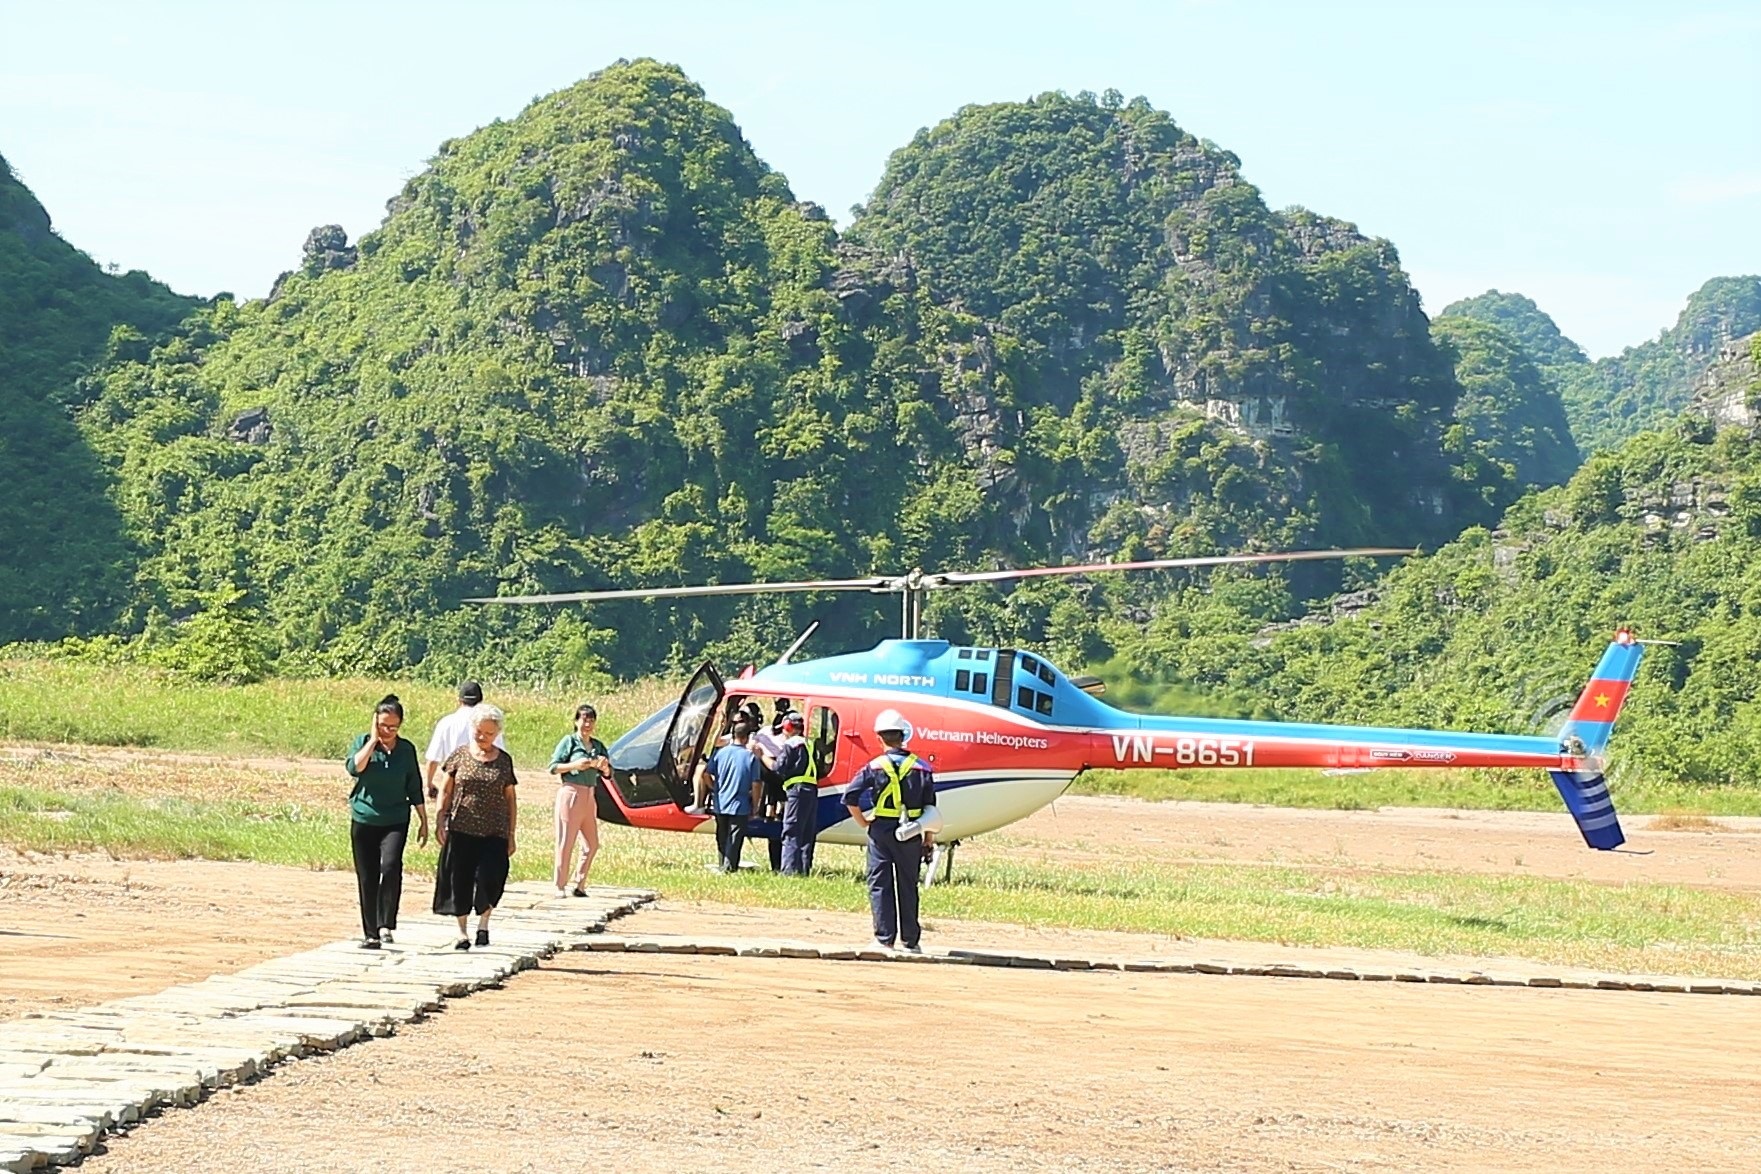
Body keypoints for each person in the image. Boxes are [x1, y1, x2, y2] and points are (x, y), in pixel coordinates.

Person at [844, 709, 936, 952]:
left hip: (882, 830)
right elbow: (931, 809)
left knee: (880, 882)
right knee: (908, 884)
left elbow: (850, 797)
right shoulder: (923, 768)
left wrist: (864, 823)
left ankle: (885, 938)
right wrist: (928, 839)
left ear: (879, 738)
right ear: (903, 735)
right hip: (912, 830)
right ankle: (911, 941)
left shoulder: (874, 766)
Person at [344, 694, 429, 949]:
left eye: (393, 726)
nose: (388, 731)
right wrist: (372, 740)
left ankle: (386, 923)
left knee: (390, 867)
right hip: (364, 818)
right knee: (367, 876)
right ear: (375, 723)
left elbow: (414, 785)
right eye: (383, 725)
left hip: (395, 819)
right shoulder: (364, 743)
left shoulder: (406, 750)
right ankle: (371, 933)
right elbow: (354, 768)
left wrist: (423, 819)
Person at [433, 704, 518, 950]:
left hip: (495, 831)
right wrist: (441, 819)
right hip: (462, 829)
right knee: (460, 880)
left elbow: (510, 798)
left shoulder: (504, 761)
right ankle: (462, 933)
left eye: (488, 734)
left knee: (490, 878)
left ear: (497, 734)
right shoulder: (460, 755)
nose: (482, 737)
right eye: (479, 732)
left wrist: (511, 834)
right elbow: (446, 789)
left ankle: (484, 924)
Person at [550, 702, 611, 897]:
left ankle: (580, 882)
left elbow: (609, 773)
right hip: (571, 792)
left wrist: (603, 766)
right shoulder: (570, 742)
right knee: (566, 841)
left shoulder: (598, 745)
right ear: (576, 721)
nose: (587, 724)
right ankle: (559, 885)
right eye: (584, 720)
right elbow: (553, 767)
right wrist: (575, 764)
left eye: (591, 721)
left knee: (592, 843)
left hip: (589, 794)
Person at [697, 719, 763, 872]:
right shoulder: (750, 757)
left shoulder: (721, 753)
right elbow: (756, 784)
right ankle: (729, 868)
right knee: (734, 838)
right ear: (747, 737)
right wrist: (756, 804)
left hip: (721, 802)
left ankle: (722, 864)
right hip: (740, 805)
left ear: (733, 735)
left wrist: (714, 789)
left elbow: (706, 774)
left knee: (722, 835)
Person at [423, 680, 504, 800]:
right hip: (482, 783)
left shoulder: (446, 722)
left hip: (453, 782)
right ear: (481, 700)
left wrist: (428, 784)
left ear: (460, 700)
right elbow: (500, 755)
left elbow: (433, 759)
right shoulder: (489, 724)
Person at [773, 710, 819, 876]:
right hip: (811, 791)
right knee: (806, 832)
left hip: (797, 791)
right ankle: (804, 869)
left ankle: (789, 871)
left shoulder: (791, 743)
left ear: (789, 727)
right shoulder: (809, 744)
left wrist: (762, 756)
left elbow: (779, 768)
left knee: (791, 830)